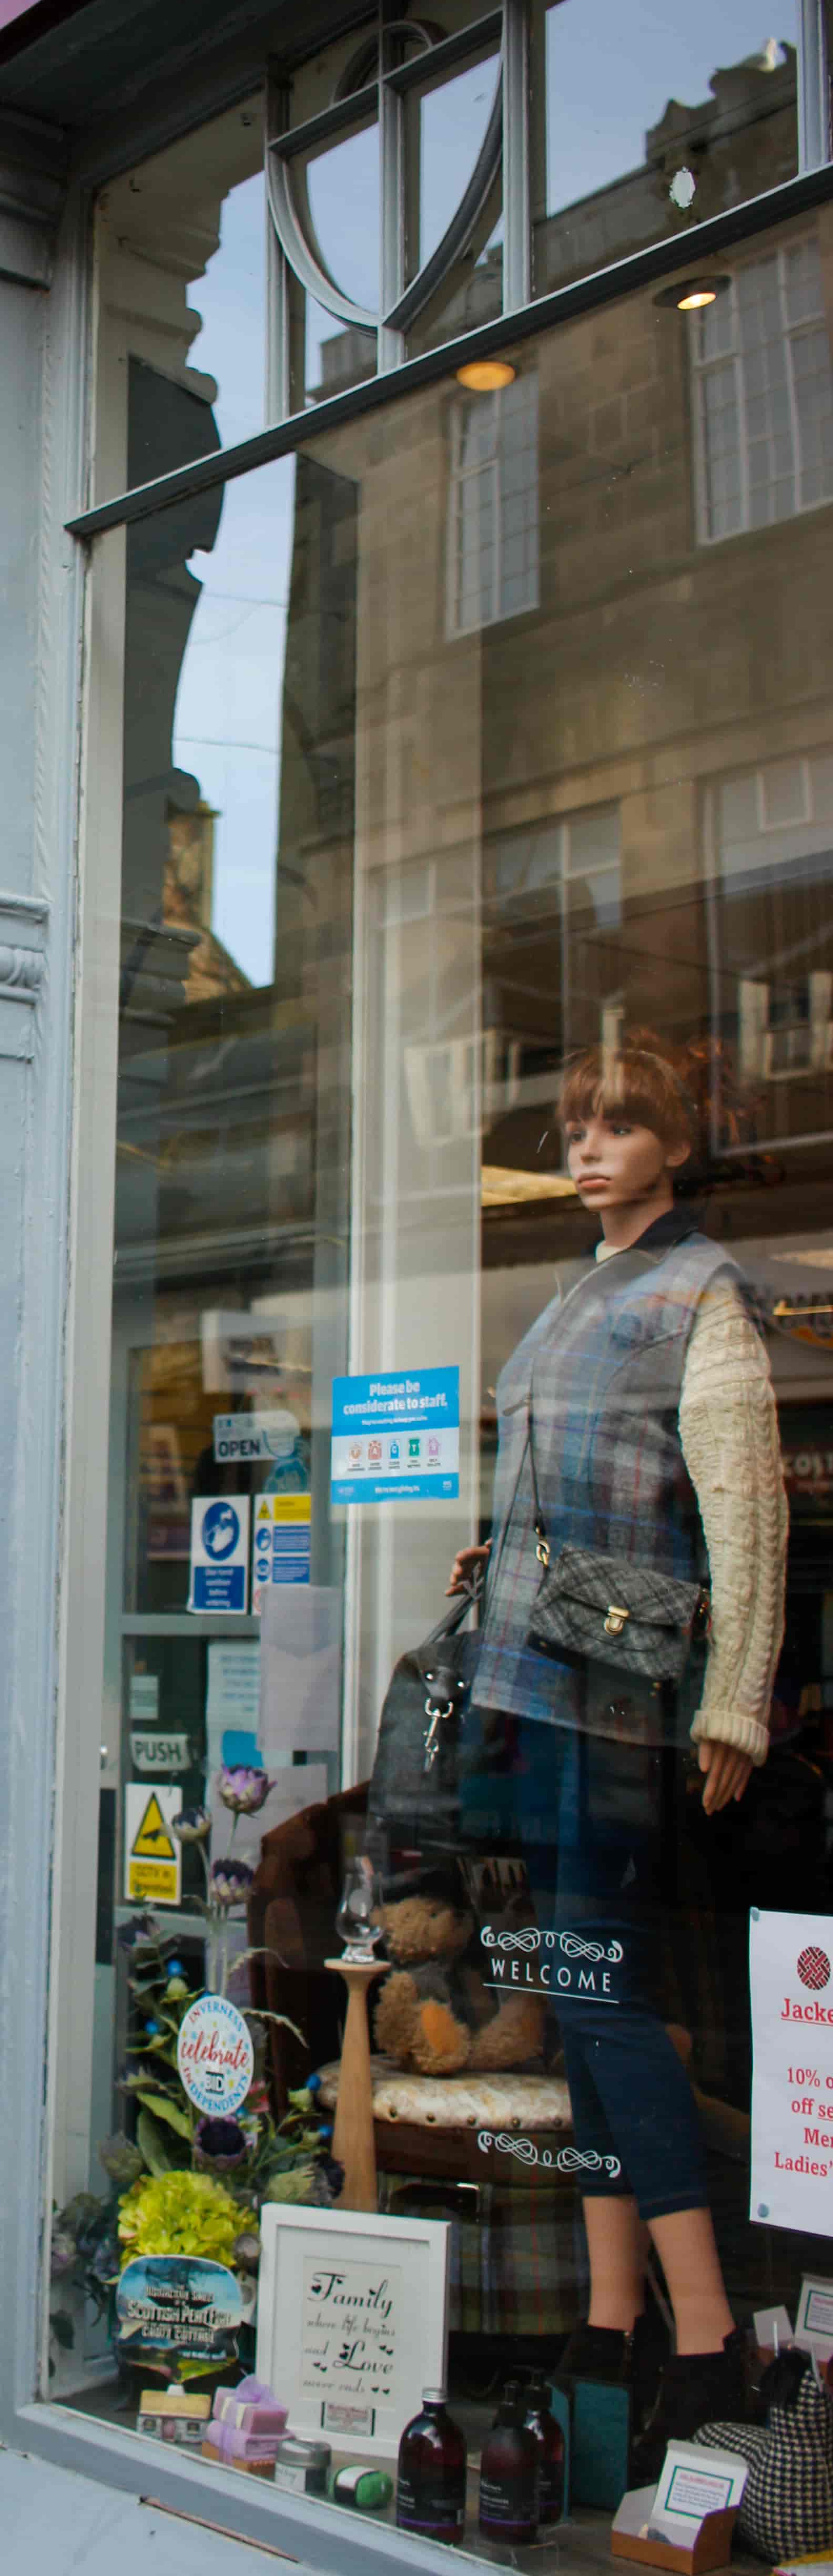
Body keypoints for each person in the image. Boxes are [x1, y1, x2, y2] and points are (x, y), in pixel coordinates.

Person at [448, 1040, 785, 2471]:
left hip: (621, 1702)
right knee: (581, 2000)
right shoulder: (568, 1298)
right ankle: (608, 2311)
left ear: (675, 1143)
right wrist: (495, 1560)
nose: (586, 1148)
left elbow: (744, 1507)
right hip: (530, 1684)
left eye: (618, 1126)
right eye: (576, 1127)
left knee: (607, 1999)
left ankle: (701, 2338)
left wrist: (739, 1696)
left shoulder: (700, 1295)